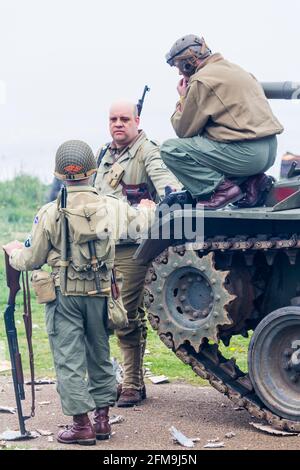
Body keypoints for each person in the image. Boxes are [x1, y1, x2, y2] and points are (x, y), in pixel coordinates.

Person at [3, 140, 155, 445]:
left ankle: (80, 426)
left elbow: (31, 259)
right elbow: (142, 223)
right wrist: (147, 210)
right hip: (101, 295)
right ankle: (102, 421)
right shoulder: (111, 206)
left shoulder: (50, 212)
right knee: (100, 355)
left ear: (59, 174)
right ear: (93, 170)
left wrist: (13, 253)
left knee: (69, 360)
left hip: (64, 297)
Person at [94, 101, 181, 407]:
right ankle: (114, 380)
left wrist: (150, 209)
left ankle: (132, 383)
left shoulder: (148, 152)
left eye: (124, 119)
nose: (118, 124)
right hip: (103, 248)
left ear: (137, 120)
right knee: (101, 316)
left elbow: (171, 194)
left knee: (126, 315)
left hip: (133, 248)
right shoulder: (104, 154)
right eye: (113, 118)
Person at [161, 34, 284, 210]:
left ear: (189, 62)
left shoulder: (201, 80)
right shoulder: (238, 70)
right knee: (210, 142)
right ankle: (251, 182)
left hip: (247, 155)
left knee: (170, 149)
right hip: (269, 151)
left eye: (179, 67)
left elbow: (184, 130)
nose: (180, 73)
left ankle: (221, 190)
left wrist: (183, 97)